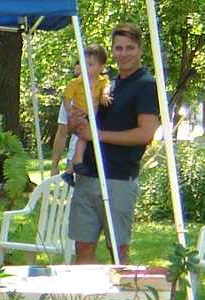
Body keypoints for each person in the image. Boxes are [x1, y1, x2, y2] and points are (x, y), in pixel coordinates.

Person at [66, 23, 159, 266]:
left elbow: (145, 134)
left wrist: (97, 135)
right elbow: (84, 129)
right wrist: (76, 123)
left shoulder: (147, 85)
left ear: (140, 49)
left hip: (118, 178)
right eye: (118, 48)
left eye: (130, 48)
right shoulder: (107, 84)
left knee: (118, 253)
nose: (124, 53)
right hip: (87, 175)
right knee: (83, 248)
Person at [60, 44, 113, 185]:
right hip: (82, 114)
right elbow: (67, 98)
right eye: (83, 64)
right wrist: (69, 109)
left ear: (101, 67)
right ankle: (77, 163)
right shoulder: (76, 83)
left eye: (90, 65)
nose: (86, 68)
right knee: (83, 137)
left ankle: (69, 171)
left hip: (94, 115)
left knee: (84, 138)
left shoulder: (103, 80)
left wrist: (105, 96)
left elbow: (107, 88)